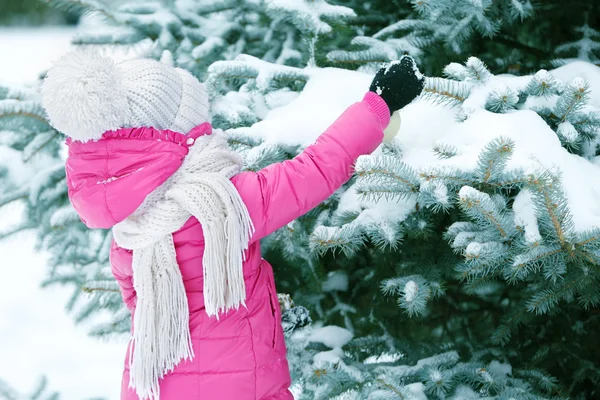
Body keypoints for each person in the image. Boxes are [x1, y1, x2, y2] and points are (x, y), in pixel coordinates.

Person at [40, 51, 425, 400]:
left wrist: (263, 310)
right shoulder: (221, 203)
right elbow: (312, 171)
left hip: (150, 386)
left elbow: (149, 307)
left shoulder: (130, 228)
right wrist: (376, 107)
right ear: (181, 137)